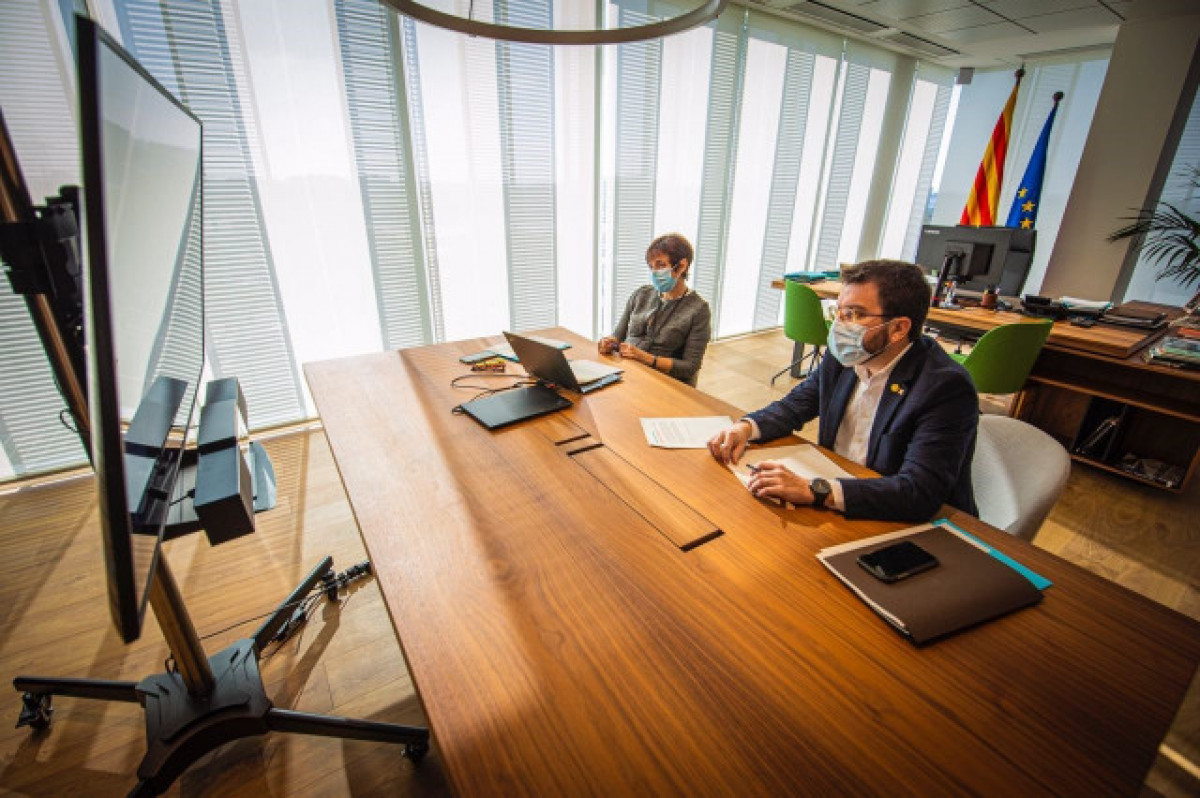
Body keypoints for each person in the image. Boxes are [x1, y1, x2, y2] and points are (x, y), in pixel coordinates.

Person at [708, 259, 979, 522]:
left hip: (909, 521)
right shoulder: (848, 356)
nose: (840, 326)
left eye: (854, 314)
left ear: (898, 328)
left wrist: (817, 490)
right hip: (840, 494)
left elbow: (919, 492)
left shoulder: (945, 387)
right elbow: (796, 405)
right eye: (838, 312)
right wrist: (745, 428)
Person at [598, 233, 712, 386]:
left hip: (662, 383)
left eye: (661, 265)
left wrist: (646, 358)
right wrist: (608, 342)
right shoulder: (641, 294)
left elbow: (690, 367)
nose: (654, 272)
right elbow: (617, 336)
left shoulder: (698, 310)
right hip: (627, 374)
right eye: (651, 267)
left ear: (681, 266)